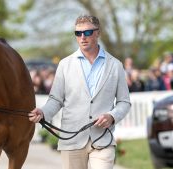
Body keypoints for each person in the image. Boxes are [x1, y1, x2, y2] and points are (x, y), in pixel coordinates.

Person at [29, 15, 131, 169]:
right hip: (72, 140)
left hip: (103, 139)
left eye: (88, 33)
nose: (82, 37)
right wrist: (43, 112)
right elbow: (56, 99)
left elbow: (124, 102)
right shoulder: (64, 65)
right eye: (78, 33)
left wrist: (112, 116)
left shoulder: (115, 65)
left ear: (98, 33)